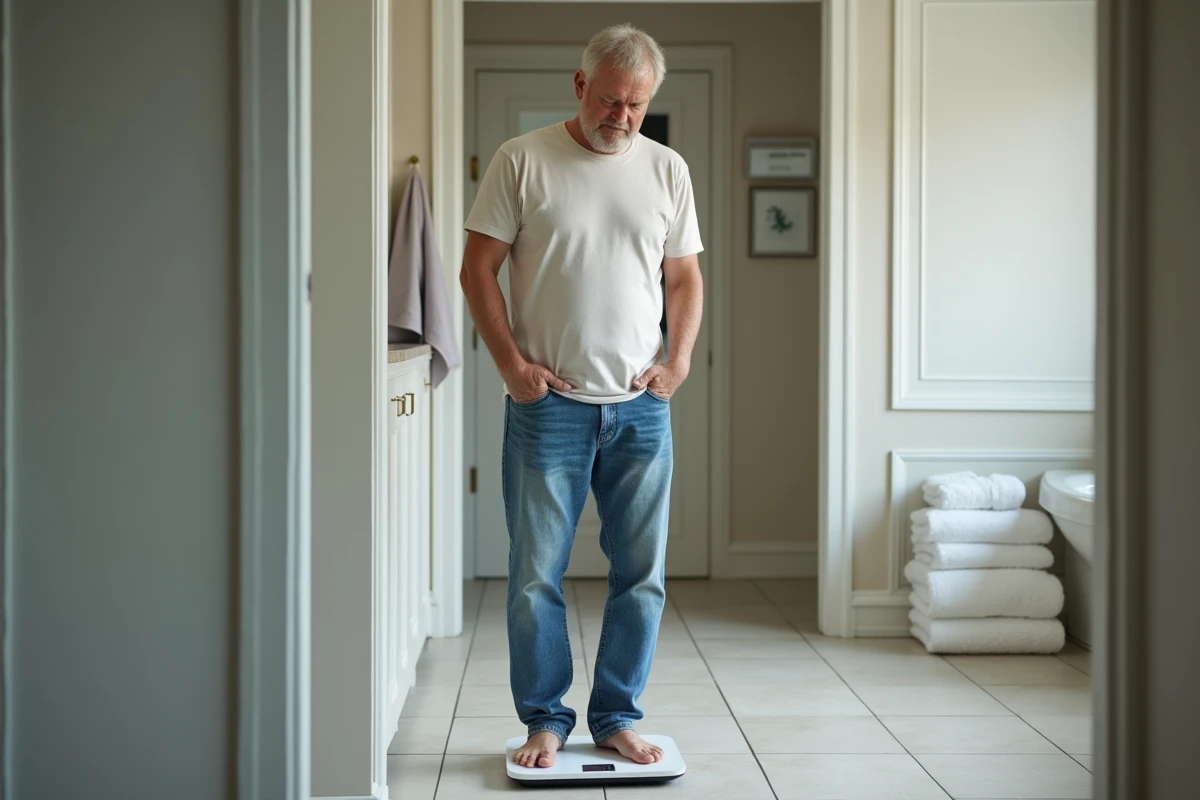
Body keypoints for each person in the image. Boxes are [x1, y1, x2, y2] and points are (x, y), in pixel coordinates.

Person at [459, 23, 703, 770]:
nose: (621, 117)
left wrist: (678, 360)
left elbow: (685, 278)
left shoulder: (667, 170)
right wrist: (510, 365)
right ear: (578, 85)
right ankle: (544, 721)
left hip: (640, 410)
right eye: (608, 100)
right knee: (535, 574)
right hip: (549, 409)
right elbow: (477, 269)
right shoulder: (522, 160)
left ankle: (618, 716)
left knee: (642, 576)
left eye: (636, 105)